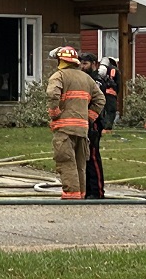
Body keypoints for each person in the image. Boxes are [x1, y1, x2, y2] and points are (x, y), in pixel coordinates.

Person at [47, 46, 105, 200]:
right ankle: (81, 195)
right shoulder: (86, 78)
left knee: (66, 161)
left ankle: (71, 196)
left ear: (61, 60)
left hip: (64, 128)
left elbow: (53, 94)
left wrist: (55, 113)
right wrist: (89, 117)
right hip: (82, 129)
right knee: (80, 164)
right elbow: (101, 100)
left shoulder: (58, 76)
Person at [79, 52, 106, 199]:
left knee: (93, 157)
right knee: (84, 157)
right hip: (82, 122)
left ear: (94, 64)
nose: (82, 67)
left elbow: (100, 102)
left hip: (94, 123)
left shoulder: (96, 81)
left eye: (85, 64)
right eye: (81, 64)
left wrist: (91, 119)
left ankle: (97, 192)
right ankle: (88, 191)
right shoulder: (83, 79)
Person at [98, 56, 120, 133]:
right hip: (111, 94)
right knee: (111, 111)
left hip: (101, 93)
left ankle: (101, 127)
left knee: (102, 111)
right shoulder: (115, 70)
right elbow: (118, 84)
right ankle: (107, 128)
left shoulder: (101, 70)